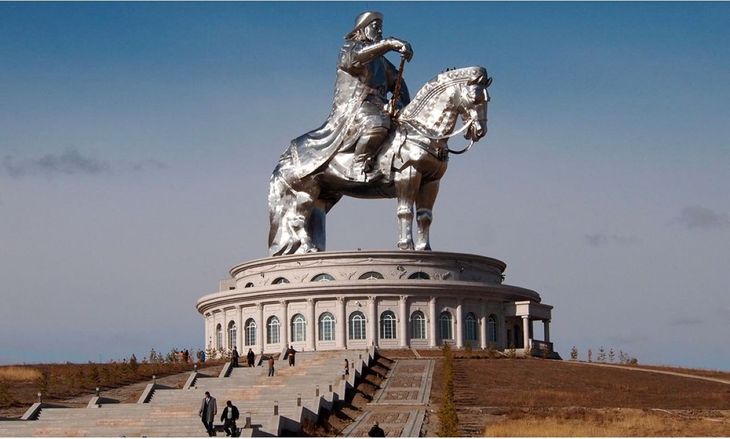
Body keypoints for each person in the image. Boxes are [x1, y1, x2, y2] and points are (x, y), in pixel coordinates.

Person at [285, 11, 412, 182]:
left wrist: (399, 105)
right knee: (376, 123)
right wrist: (388, 43)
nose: (379, 31)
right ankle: (358, 165)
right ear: (362, 29)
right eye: (375, 27)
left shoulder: (382, 62)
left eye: (381, 28)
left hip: (380, 107)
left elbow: (398, 82)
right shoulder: (349, 49)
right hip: (356, 107)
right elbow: (356, 59)